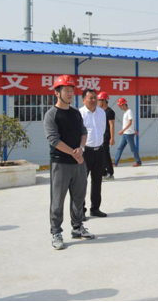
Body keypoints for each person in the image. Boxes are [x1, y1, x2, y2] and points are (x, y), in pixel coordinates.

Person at [44, 75, 95, 250]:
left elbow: (83, 132)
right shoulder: (51, 115)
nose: (70, 93)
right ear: (57, 93)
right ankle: (56, 232)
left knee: (79, 197)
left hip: (79, 162)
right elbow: (54, 139)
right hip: (61, 164)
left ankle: (77, 227)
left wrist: (81, 148)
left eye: (71, 90)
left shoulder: (75, 113)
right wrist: (75, 154)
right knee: (58, 200)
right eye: (66, 90)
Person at [79, 89, 108, 219]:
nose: (94, 100)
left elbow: (102, 130)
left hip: (99, 150)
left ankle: (95, 208)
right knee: (81, 183)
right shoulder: (79, 114)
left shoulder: (101, 112)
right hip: (85, 152)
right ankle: (80, 211)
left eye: (95, 98)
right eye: (90, 98)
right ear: (83, 100)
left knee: (97, 181)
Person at [113, 98, 142, 167]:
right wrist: (134, 130)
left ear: (124, 104)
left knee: (133, 148)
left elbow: (130, 122)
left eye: (121, 106)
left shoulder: (129, 112)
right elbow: (132, 122)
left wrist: (123, 130)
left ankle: (138, 162)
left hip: (129, 134)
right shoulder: (126, 112)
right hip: (125, 134)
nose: (120, 107)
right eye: (119, 106)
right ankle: (115, 163)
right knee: (120, 148)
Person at [97, 92, 115, 181]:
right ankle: (104, 172)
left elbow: (111, 125)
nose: (98, 102)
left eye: (99, 100)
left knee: (105, 154)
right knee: (101, 154)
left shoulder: (109, 112)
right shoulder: (100, 111)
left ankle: (109, 173)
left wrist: (112, 138)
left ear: (104, 101)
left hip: (106, 136)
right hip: (100, 135)